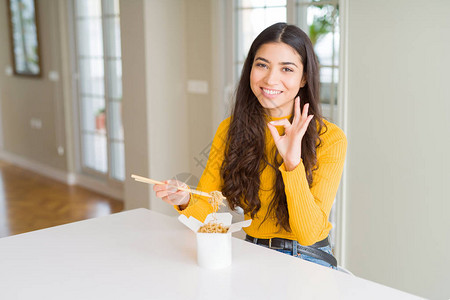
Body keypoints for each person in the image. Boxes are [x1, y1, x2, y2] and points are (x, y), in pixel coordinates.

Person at [153, 22, 347, 269]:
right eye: (262, 65)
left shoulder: (330, 138)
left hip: (307, 256)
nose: (270, 79)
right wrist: (184, 199)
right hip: (251, 249)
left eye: (286, 69)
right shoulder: (231, 129)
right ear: (250, 69)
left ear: (303, 78)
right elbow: (205, 209)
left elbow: (309, 233)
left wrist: (292, 164)